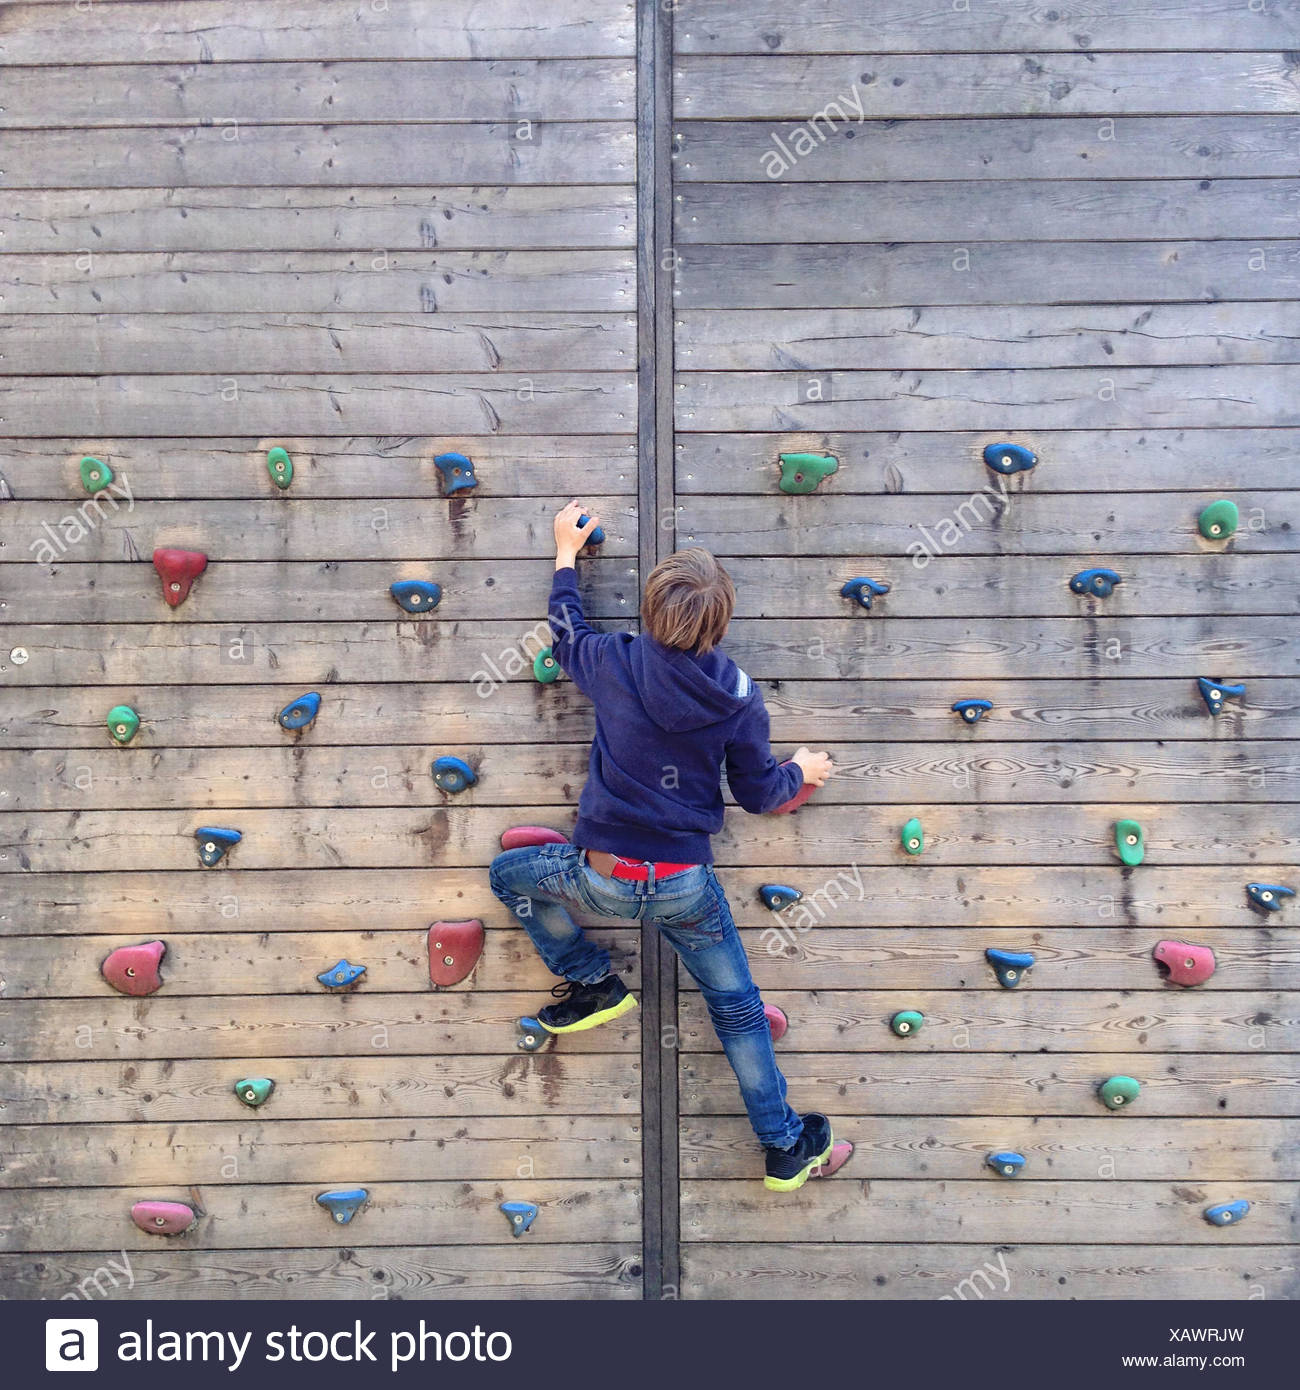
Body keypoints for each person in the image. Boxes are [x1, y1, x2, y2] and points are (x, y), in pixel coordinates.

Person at [489, 502, 836, 1191]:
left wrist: (564, 556)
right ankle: (784, 1145)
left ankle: (592, 982)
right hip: (683, 886)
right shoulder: (738, 697)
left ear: (648, 610)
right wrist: (804, 770)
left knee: (511, 876)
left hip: (602, 877)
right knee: (737, 1011)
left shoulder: (613, 663)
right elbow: (762, 795)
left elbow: (565, 633)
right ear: (721, 621)